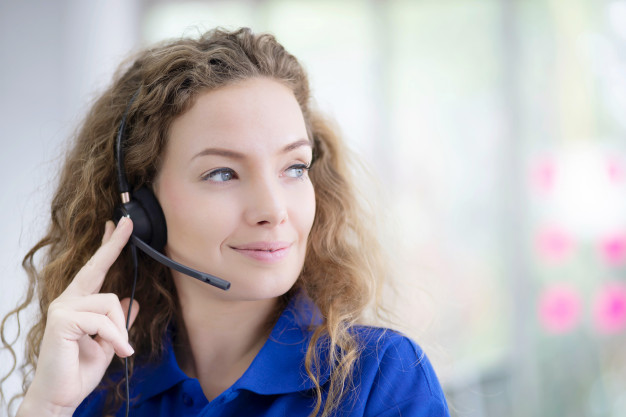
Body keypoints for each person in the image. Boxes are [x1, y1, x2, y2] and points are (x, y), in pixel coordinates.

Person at [2, 27, 450, 417]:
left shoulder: (379, 378)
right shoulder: (100, 386)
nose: (273, 210)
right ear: (141, 210)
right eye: (223, 173)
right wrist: (49, 409)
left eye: (294, 168)